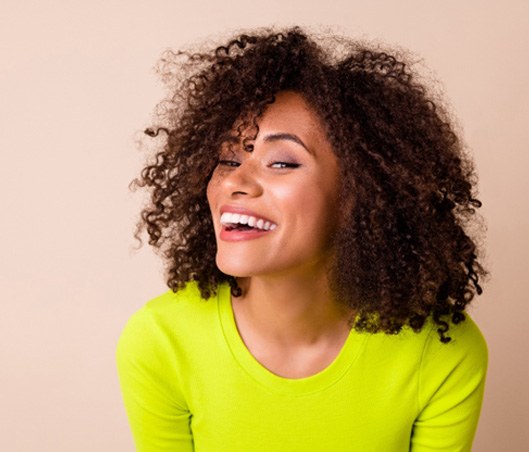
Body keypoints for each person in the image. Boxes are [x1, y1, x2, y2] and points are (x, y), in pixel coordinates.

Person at [116, 27, 488, 451]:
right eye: (228, 159)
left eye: (281, 162)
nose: (234, 181)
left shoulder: (442, 353)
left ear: (358, 196)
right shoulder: (161, 341)